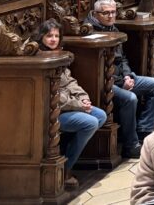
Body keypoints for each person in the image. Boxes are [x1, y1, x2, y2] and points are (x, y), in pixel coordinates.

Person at [84, 0, 154, 159]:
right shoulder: (89, 32)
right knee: (131, 98)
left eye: (113, 12)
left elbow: (124, 59)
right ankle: (131, 145)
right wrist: (119, 82)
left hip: (122, 77)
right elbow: (97, 68)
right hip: (105, 82)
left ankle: (144, 130)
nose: (110, 16)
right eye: (106, 13)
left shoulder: (113, 28)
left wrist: (128, 76)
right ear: (95, 13)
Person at [36, 20, 106, 189]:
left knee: (100, 115)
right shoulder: (39, 58)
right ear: (41, 38)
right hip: (50, 111)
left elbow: (70, 83)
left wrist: (83, 98)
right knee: (90, 123)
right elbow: (52, 94)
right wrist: (78, 105)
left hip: (69, 105)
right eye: (49, 36)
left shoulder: (59, 54)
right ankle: (66, 168)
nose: (53, 39)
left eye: (56, 36)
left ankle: (67, 156)